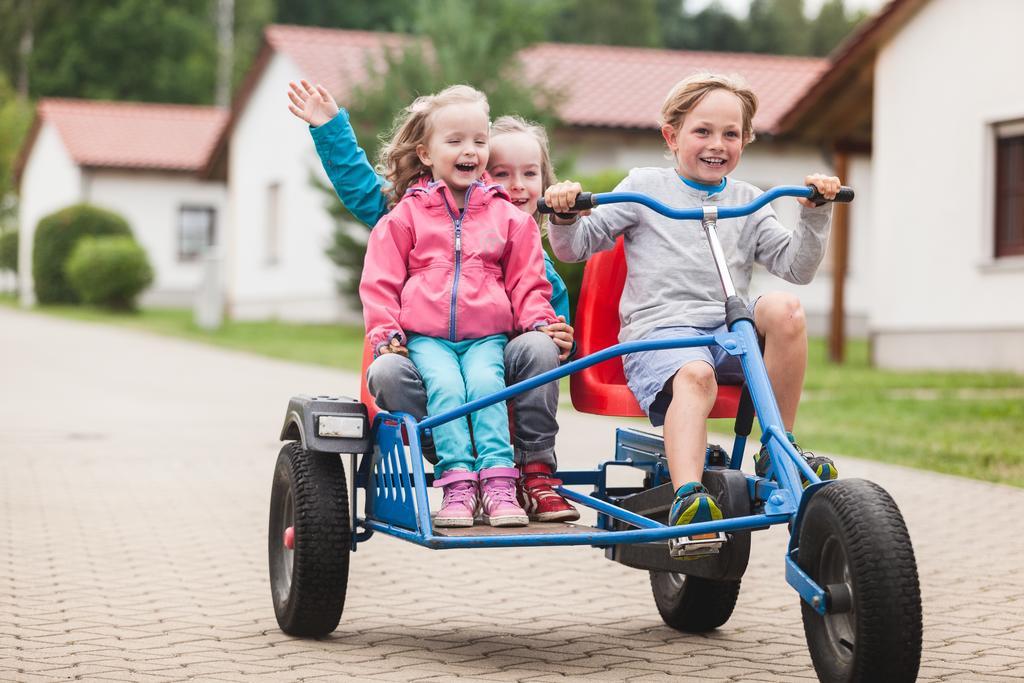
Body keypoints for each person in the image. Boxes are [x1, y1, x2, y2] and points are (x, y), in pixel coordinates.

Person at [543, 72, 840, 534]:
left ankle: (779, 449)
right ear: (672, 135)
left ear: (745, 140)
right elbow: (573, 247)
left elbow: (796, 268)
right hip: (660, 337)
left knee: (786, 308)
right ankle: (688, 497)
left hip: (728, 333)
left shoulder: (749, 200)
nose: (716, 144)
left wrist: (815, 213)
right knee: (695, 374)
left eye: (731, 134)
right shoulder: (644, 187)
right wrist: (564, 213)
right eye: (702, 131)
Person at [287, 79, 580, 522]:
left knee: (531, 352)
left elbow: (537, 301)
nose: (516, 187)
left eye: (530, 174)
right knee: (393, 372)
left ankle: (532, 474)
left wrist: (555, 331)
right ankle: (452, 462)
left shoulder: (520, 238)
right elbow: (366, 198)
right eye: (501, 174)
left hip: (500, 374)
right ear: (480, 172)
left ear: (545, 181)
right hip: (435, 360)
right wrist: (330, 128)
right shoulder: (414, 214)